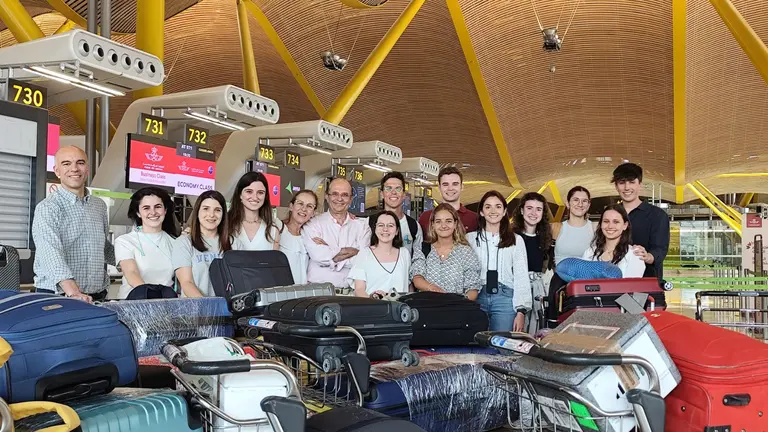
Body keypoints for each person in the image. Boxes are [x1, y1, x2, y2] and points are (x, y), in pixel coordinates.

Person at [32, 146, 113, 302]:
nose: (74, 169)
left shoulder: (99, 206)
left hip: (97, 295)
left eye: (80, 163)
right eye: (66, 163)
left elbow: (104, 247)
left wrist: (133, 262)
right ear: (57, 171)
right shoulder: (48, 207)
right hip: (59, 296)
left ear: (87, 169)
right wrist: (73, 291)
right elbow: (50, 251)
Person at [468, 191, 530, 332]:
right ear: (481, 212)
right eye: (488, 207)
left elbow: (521, 275)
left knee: (501, 342)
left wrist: (521, 311)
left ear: (504, 211)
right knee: (476, 341)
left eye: (498, 206)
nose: (493, 211)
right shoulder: (470, 239)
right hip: (477, 295)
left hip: (505, 298)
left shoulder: (516, 240)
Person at [302, 178, 372, 287]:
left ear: (351, 199)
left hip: (351, 292)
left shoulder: (362, 227)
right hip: (318, 290)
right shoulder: (313, 224)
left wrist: (329, 251)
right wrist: (352, 252)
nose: (339, 199)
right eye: (334, 194)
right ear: (327, 196)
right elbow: (318, 256)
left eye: (345, 195)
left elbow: (362, 260)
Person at [114, 187, 178, 299]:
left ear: (165, 210)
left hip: (166, 303)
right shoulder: (125, 241)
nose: (153, 212)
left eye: (158, 207)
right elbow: (131, 273)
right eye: (146, 208)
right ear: (138, 213)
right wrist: (151, 299)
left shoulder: (175, 243)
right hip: (134, 302)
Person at [612, 162, 670, 283]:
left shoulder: (657, 215)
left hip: (647, 283)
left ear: (640, 185)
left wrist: (647, 256)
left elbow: (660, 250)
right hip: (614, 283)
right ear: (616, 186)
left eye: (632, 182)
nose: (627, 187)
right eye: (622, 183)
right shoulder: (611, 214)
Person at [411, 203, 481, 300]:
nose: (443, 225)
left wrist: (459, 304)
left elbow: (472, 288)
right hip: (427, 305)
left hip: (456, 306)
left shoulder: (466, 252)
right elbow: (417, 278)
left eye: (448, 221)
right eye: (438, 221)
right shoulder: (423, 249)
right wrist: (434, 289)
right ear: (433, 224)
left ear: (455, 224)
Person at [172, 190, 232, 297]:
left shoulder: (234, 243)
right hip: (196, 306)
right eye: (206, 209)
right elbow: (187, 283)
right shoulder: (183, 243)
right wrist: (208, 306)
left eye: (217, 210)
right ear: (197, 212)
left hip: (228, 306)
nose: (211, 215)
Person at [512, 192, 553, 334]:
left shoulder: (546, 239)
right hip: (515, 290)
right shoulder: (511, 237)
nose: (533, 213)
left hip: (537, 290)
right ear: (521, 210)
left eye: (538, 209)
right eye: (529, 208)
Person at [348, 211, 411, 298]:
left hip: (400, 306)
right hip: (372, 305)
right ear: (375, 229)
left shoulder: (404, 253)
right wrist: (373, 301)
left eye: (390, 225)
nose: (385, 229)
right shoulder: (365, 254)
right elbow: (359, 290)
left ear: (397, 231)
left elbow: (408, 285)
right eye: (381, 225)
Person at [582, 205, 646, 278]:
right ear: (601, 224)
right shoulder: (589, 253)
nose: (610, 226)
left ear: (625, 225)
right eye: (606, 221)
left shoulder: (634, 254)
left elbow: (632, 284)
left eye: (616, 222)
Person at [417, 167, 479, 240]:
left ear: (462, 187)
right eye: (445, 184)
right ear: (439, 187)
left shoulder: (474, 219)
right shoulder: (426, 217)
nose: (450, 188)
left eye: (455, 184)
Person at [229, 172, 280, 251]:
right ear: (240, 194)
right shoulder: (227, 224)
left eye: (260, 193)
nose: (255, 197)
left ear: (265, 196)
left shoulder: (272, 230)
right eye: (249, 191)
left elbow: (275, 259)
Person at [279, 190, 318, 284]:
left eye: (309, 206)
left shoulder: (309, 235)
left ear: (313, 213)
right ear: (291, 206)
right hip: (281, 290)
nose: (304, 209)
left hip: (303, 291)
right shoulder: (278, 229)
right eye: (300, 203)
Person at [380, 172, 423, 257]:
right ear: (382, 194)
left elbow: (418, 258)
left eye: (398, 189)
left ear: (404, 194)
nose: (393, 192)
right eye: (388, 188)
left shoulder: (413, 226)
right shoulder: (369, 223)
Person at [553, 186, 595, 265]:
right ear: (567, 204)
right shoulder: (556, 228)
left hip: (587, 272)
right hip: (560, 272)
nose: (580, 204)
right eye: (576, 200)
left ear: (589, 205)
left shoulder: (594, 228)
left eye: (584, 201)